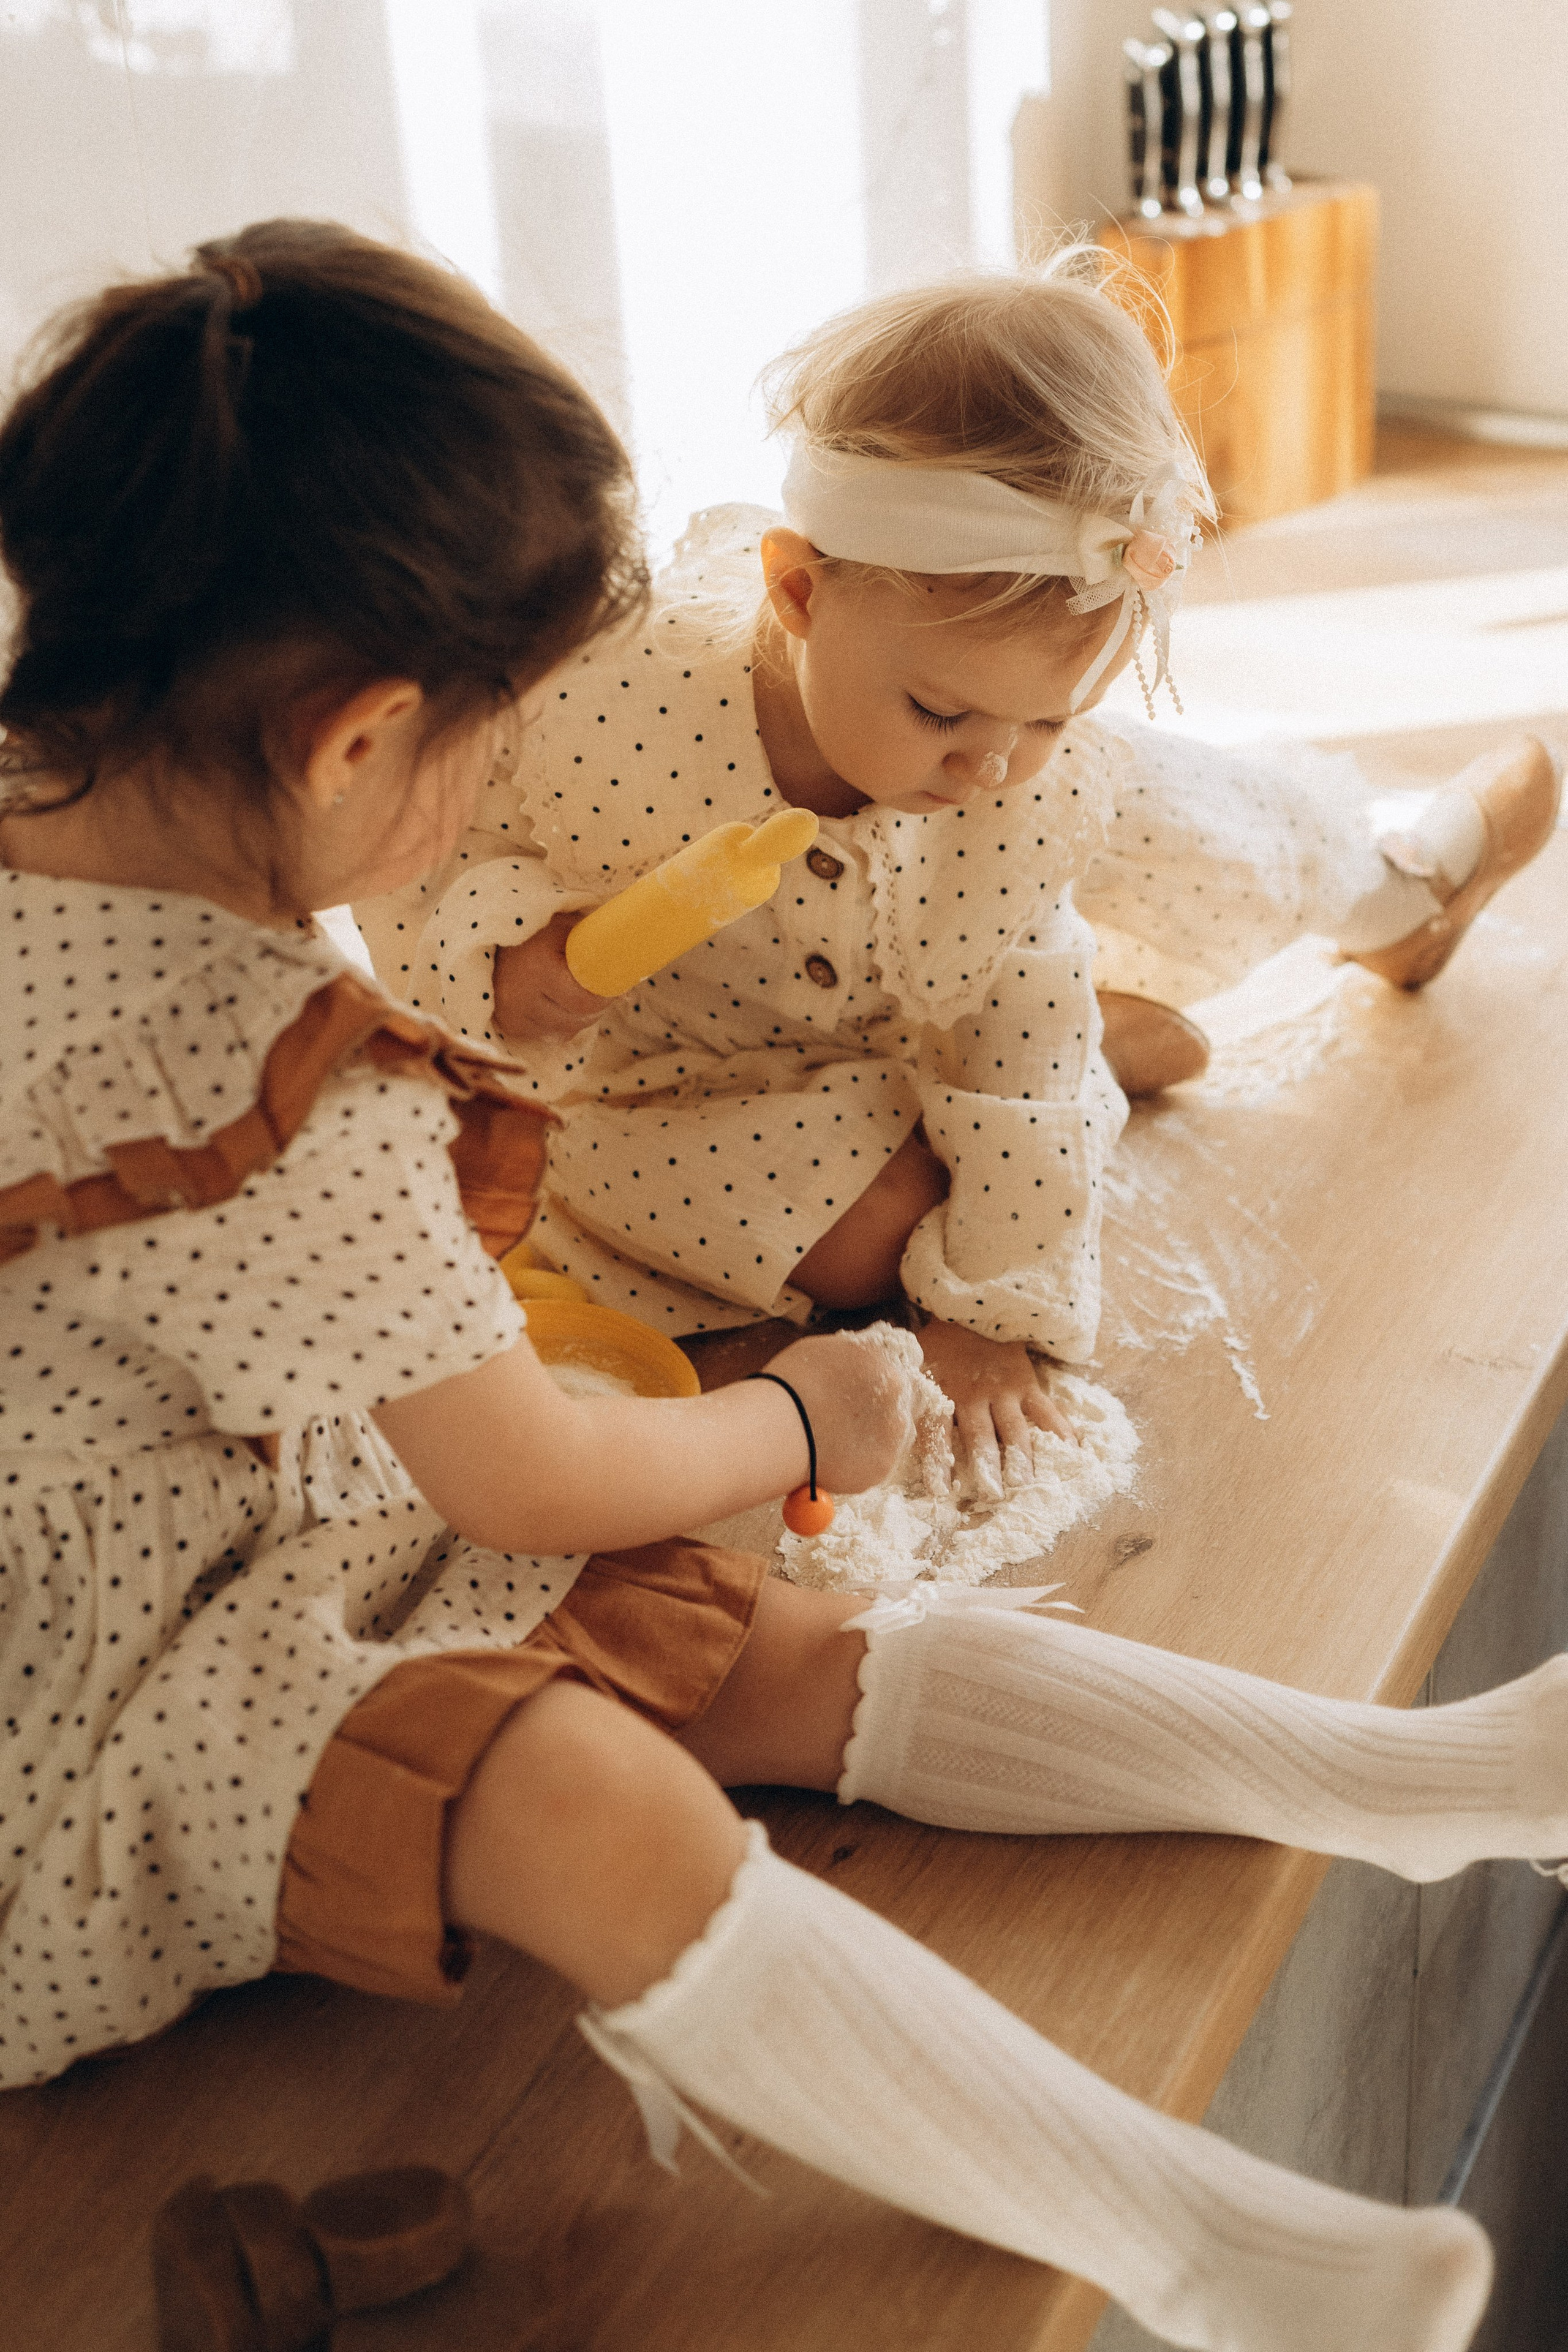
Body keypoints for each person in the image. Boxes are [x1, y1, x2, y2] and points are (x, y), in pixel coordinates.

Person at [18, 222, 1568, 2352]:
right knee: (596, 1783)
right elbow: (529, 1480)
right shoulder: (283, 1101)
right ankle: (1199, 2246)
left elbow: (1005, 1029)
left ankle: (1408, 1782)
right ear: (365, 739)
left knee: (756, 1641)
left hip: (186, 1516)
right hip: (74, 1714)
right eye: (493, 734)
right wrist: (803, 1419)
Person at [358, 253, 1558, 1490]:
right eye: (943, 709)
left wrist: (992, 1316)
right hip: (688, 1072)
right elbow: (430, 833)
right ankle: (1118, 1038)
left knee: (1183, 822)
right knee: (884, 1236)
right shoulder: (601, 700)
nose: (992, 764)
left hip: (942, 932)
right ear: (797, 592)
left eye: (1045, 716)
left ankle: (1385, 897)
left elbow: (1016, 1045)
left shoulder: (1015, 777)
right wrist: (509, 961)